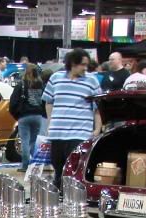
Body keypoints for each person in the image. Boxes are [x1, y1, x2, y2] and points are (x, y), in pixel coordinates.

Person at [42, 48, 102, 188]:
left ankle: (72, 203)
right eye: (83, 64)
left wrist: (97, 129)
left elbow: (98, 107)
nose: (85, 68)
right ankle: (58, 202)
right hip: (57, 134)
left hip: (79, 133)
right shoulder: (56, 78)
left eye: (87, 65)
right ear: (73, 63)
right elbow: (48, 102)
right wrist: (50, 123)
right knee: (58, 171)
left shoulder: (92, 80)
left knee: (74, 173)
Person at [10, 63, 47, 173]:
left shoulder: (21, 84)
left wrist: (16, 115)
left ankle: (25, 165)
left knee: (24, 141)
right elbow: (45, 101)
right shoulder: (42, 85)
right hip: (38, 116)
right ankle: (35, 164)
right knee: (34, 141)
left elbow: (13, 103)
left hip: (24, 116)